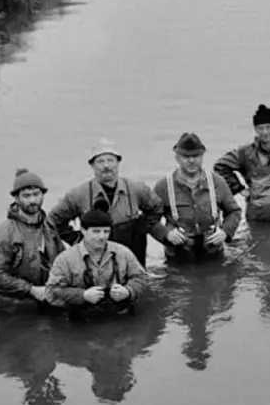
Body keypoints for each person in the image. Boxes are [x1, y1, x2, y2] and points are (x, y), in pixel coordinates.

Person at [47, 138, 168, 266]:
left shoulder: (136, 189)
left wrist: (142, 227)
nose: (106, 166)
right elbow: (54, 220)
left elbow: (157, 207)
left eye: (110, 160)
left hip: (132, 254)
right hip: (94, 259)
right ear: (92, 165)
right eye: (100, 161)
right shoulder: (78, 194)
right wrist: (76, 239)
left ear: (118, 163)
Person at [0, 167, 65, 313]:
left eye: (36, 194)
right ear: (16, 198)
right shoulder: (2, 234)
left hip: (39, 300)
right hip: (4, 307)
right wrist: (31, 290)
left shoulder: (49, 227)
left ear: (43, 195)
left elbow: (62, 260)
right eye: (26, 196)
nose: (32, 200)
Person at [43, 205, 149, 316]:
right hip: (82, 322)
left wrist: (128, 291)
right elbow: (51, 293)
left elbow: (141, 278)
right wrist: (82, 296)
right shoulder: (65, 259)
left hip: (119, 317)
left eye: (106, 231)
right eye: (96, 231)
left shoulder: (123, 252)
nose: (102, 236)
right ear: (83, 230)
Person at [154, 132, 242, 261]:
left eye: (196, 156)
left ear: (202, 156)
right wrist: (166, 234)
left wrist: (225, 232)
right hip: (178, 257)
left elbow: (234, 212)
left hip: (213, 254)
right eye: (185, 156)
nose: (191, 161)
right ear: (177, 157)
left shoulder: (217, 182)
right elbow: (148, 218)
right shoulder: (163, 187)